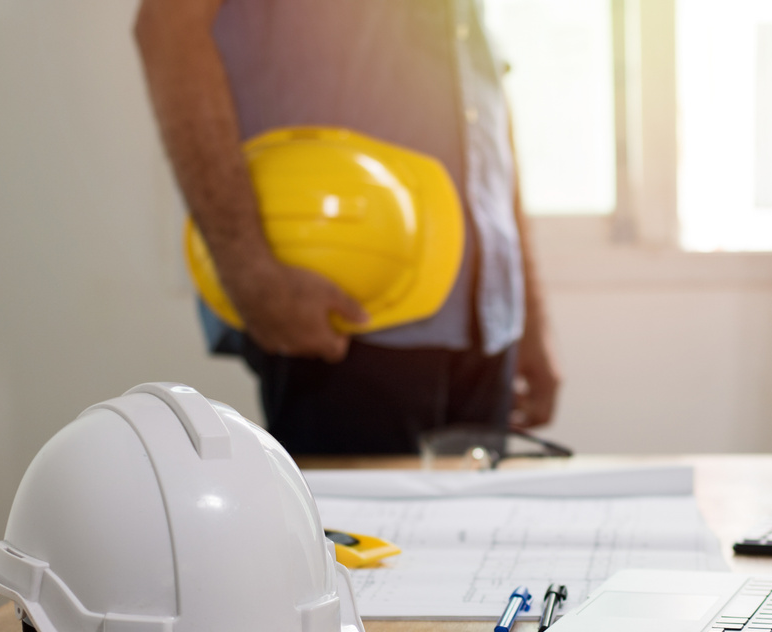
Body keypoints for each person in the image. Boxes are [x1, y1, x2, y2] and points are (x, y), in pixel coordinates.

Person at [134, 0, 560, 455]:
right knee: (345, 527)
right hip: (338, 312)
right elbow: (167, 25)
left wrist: (529, 317)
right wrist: (249, 272)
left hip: (485, 326)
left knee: (475, 527)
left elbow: (480, 91)